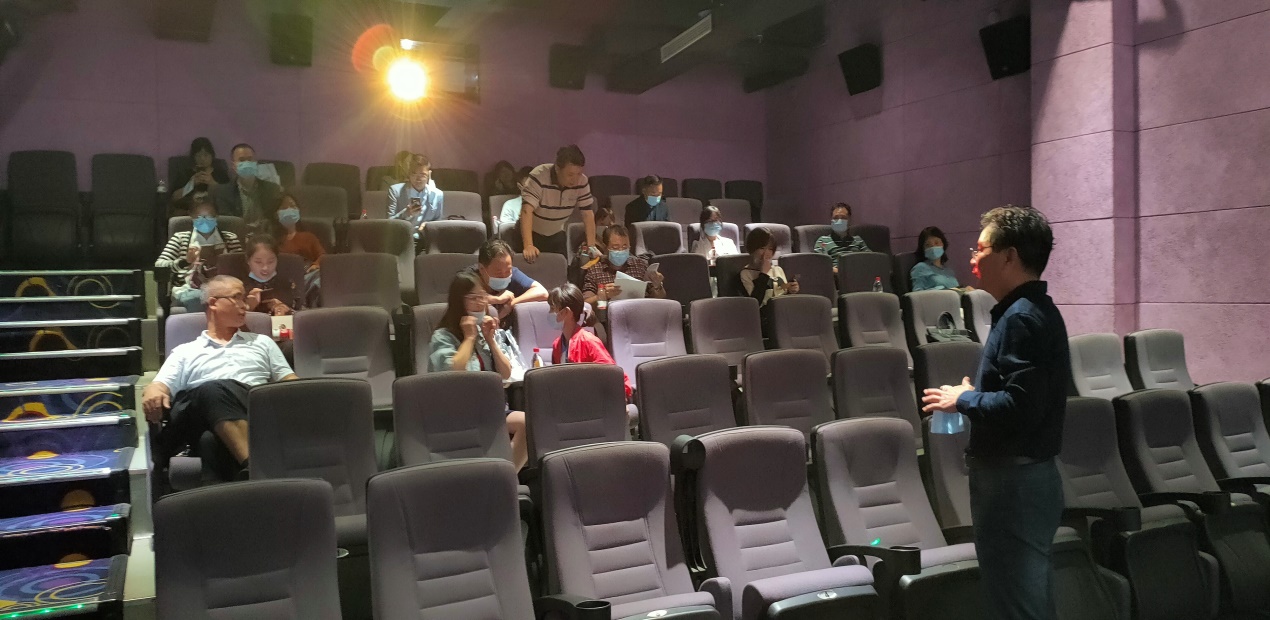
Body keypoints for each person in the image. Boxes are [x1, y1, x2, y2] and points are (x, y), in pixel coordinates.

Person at [921, 205, 1068, 620]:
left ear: (1009, 256)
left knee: (1016, 607)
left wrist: (964, 400)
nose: (973, 258)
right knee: (1029, 603)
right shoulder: (1038, 310)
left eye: (981, 249)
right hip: (1028, 480)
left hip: (1012, 486)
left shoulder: (1021, 319)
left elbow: (1021, 406)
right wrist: (977, 394)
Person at [143, 275, 297, 480]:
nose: (245, 305)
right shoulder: (185, 351)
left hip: (254, 410)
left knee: (209, 441)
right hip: (198, 410)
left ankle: (239, 488)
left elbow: (289, 381)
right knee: (211, 390)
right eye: (237, 297)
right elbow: (159, 386)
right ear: (214, 303)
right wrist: (153, 390)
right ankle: (260, 472)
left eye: (244, 299)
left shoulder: (262, 342)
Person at [428, 273, 528, 470]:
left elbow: (506, 373)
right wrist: (469, 338)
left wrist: (491, 340)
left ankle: (507, 476)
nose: (480, 303)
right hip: (456, 410)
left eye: (483, 296)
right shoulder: (442, 337)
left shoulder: (486, 333)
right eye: (473, 298)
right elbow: (453, 372)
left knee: (527, 423)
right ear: (459, 302)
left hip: (488, 408)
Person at [156, 194, 243, 312]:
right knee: (199, 298)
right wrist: (185, 262)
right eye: (199, 217)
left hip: (223, 288)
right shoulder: (180, 238)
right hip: (190, 289)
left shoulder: (230, 238)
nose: (205, 221)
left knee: (227, 299)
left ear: (216, 217)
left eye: (209, 217)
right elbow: (160, 266)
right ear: (192, 217)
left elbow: (241, 267)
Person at [547, 283, 632, 400]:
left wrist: (620, 401)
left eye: (553, 309)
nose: (550, 313)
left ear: (566, 312)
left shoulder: (589, 342)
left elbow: (614, 377)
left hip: (593, 402)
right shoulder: (557, 345)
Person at [519, 144, 597, 262]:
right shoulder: (539, 175)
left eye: (579, 174)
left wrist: (592, 246)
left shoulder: (582, 181)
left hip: (556, 233)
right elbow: (526, 210)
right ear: (557, 168)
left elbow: (587, 214)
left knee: (561, 268)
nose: (575, 179)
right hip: (531, 233)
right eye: (570, 174)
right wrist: (528, 245)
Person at [581, 225, 666, 308]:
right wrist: (604, 295)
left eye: (625, 247)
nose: (621, 250)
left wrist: (658, 286)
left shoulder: (640, 265)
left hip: (640, 312)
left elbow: (660, 299)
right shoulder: (595, 270)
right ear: (606, 248)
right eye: (615, 247)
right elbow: (585, 304)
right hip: (610, 315)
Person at [466, 240, 548, 320]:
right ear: (481, 269)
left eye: (508, 271)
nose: (504, 276)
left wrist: (511, 303)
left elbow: (542, 292)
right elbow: (464, 298)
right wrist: (496, 299)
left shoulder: (513, 273)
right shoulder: (468, 277)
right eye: (498, 273)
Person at [740, 226, 798, 336]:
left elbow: (782, 291)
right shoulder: (745, 274)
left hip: (784, 315)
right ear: (752, 249)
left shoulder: (778, 270)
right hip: (765, 320)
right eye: (762, 248)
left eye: (770, 249)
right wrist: (763, 274)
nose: (766, 253)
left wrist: (791, 288)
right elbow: (755, 303)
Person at [211, 143, 282, 232]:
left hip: (265, 236)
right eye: (242, 160)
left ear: (256, 163)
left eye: (250, 159)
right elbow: (227, 224)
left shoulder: (272, 189)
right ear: (234, 166)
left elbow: (276, 221)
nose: (247, 163)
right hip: (238, 236)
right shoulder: (222, 192)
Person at [270, 192, 324, 302]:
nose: (289, 210)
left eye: (293, 206)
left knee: (320, 280)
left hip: (308, 275)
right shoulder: (271, 240)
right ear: (276, 214)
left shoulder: (309, 237)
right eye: (284, 207)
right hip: (284, 281)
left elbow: (322, 256)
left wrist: (316, 265)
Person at [388, 154, 444, 243]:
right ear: (409, 174)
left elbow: (439, 222)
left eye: (422, 174)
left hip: (427, 240)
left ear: (429, 175)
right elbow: (388, 223)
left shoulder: (437, 194)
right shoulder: (395, 191)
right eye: (414, 174)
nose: (418, 179)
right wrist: (406, 213)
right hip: (401, 239)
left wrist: (428, 226)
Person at [241, 235, 300, 315]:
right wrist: (249, 308)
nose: (265, 268)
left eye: (270, 262)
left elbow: (303, 314)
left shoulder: (287, 283)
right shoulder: (239, 287)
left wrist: (287, 310)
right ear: (248, 260)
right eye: (258, 262)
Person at [909, 226, 972, 292]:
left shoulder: (949, 271)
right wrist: (941, 290)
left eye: (936, 243)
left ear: (943, 244)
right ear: (923, 249)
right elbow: (917, 294)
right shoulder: (920, 268)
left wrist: (964, 290)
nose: (933, 247)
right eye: (928, 245)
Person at [812, 202, 871, 272]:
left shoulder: (858, 240)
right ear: (831, 220)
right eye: (835, 218)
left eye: (843, 218)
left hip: (857, 274)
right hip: (834, 276)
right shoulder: (823, 241)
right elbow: (819, 264)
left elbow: (871, 259)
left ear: (849, 220)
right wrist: (841, 272)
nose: (839, 221)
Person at [172, 137, 228, 203]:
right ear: (194, 157)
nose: (202, 159)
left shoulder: (220, 174)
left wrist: (213, 183)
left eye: (206, 155)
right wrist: (191, 184)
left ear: (212, 156)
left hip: (214, 208)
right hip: (190, 208)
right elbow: (174, 198)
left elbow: (229, 197)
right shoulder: (185, 174)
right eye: (198, 155)